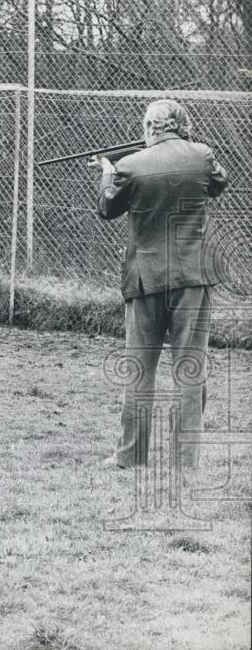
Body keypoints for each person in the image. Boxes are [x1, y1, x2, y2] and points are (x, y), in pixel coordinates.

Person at [89, 98, 229, 469]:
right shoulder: (202, 155)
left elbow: (107, 209)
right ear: (182, 125)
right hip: (192, 279)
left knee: (140, 369)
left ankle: (130, 455)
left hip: (144, 279)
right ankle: (185, 460)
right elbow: (219, 183)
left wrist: (107, 170)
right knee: (189, 367)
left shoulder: (130, 166)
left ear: (151, 127)